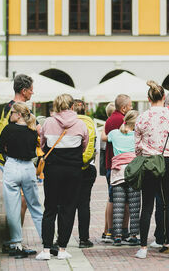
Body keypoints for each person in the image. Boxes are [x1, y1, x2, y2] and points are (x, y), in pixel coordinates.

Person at [36, 94, 89, 261]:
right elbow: (84, 146)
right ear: (72, 106)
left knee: (50, 207)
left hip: (53, 170)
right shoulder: (81, 124)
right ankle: (62, 248)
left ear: (56, 106)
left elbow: (43, 144)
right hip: (73, 170)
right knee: (68, 208)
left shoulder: (48, 122)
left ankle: (46, 249)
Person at [134, 81, 169, 259]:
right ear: (164, 97)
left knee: (147, 206)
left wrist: (147, 153)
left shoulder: (142, 117)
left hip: (149, 163)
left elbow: (137, 146)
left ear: (149, 99)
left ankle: (143, 248)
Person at [0, 102, 43, 258]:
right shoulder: (32, 131)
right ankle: (47, 240)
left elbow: (0, 148)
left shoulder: (8, 129)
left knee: (12, 208)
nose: (10, 115)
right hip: (28, 167)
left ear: (18, 114)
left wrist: (8, 158)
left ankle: (16, 243)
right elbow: (35, 149)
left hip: (11, 165)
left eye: (12, 113)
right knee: (35, 206)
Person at [104, 110, 142, 246]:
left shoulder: (114, 134)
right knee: (134, 205)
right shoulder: (138, 136)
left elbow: (104, 136)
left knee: (118, 205)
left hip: (117, 173)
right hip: (133, 172)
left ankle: (117, 236)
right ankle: (133, 235)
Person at [73, 99, 98, 249]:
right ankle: (84, 239)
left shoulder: (68, 122)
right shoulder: (90, 122)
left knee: (66, 205)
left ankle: (62, 239)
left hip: (70, 167)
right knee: (84, 205)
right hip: (87, 166)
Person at [102, 98, 126, 243]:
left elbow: (104, 138)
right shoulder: (122, 121)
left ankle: (108, 231)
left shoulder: (109, 121)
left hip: (109, 163)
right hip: (120, 163)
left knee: (111, 198)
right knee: (122, 200)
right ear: (123, 108)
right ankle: (119, 231)